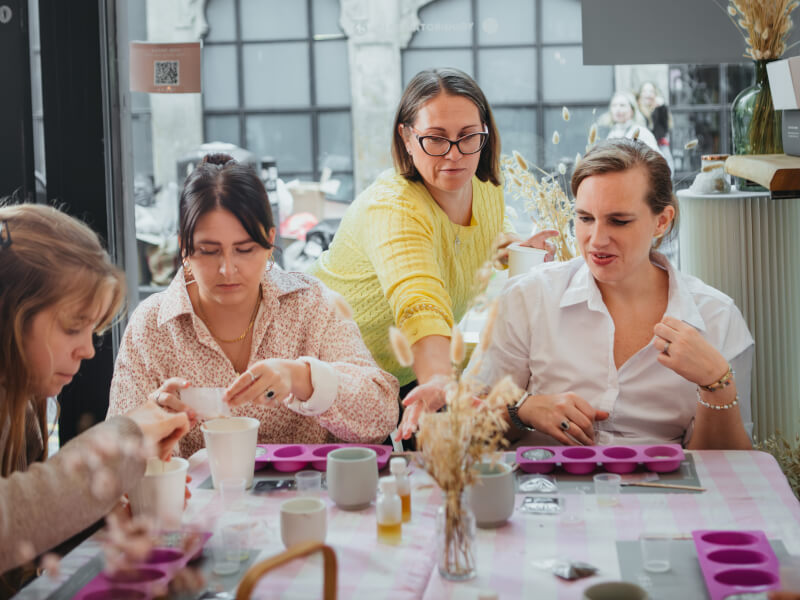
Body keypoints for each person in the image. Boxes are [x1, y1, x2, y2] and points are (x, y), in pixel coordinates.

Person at [309, 68, 556, 439]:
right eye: (435, 139)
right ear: (406, 137)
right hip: (337, 378)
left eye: (468, 136)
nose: (454, 155)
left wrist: (510, 248)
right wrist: (441, 381)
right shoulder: (392, 208)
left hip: (413, 375)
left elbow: (461, 241)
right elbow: (419, 302)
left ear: (484, 133)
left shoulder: (485, 186)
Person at [108, 154, 399, 457]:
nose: (228, 269)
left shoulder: (311, 304)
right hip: (197, 502)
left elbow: (381, 416)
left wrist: (301, 378)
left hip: (306, 500)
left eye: (245, 249)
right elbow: (115, 457)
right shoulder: (153, 325)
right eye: (209, 251)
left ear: (270, 242)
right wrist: (148, 429)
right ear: (185, 249)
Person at [471, 139, 753, 449]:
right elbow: (466, 425)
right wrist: (523, 409)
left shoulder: (717, 317)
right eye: (585, 218)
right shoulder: (530, 298)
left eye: (619, 221)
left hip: (663, 494)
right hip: (548, 490)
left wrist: (716, 383)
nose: (597, 240)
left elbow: (729, 469)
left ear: (662, 221)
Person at [0, 203, 190, 589]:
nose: (87, 350)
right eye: (73, 327)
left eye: (94, 331)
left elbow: (23, 538)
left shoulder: (21, 404)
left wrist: (102, 511)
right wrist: (119, 441)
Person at [637, 81, 675, 171]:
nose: (648, 94)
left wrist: (659, 108)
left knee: (668, 168)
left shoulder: (660, 109)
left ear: (655, 94)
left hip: (659, 146)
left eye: (651, 91)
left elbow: (663, 130)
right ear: (640, 94)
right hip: (642, 150)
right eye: (645, 91)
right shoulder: (636, 111)